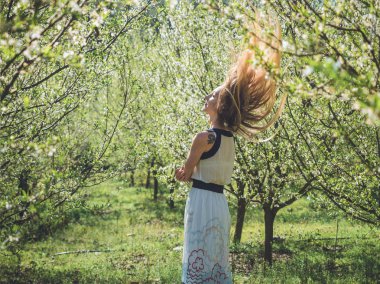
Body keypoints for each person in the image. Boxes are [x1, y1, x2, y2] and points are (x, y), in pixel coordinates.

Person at [175, 15, 285, 283]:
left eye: (212, 96)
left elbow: (187, 174)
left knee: (198, 258)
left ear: (220, 106)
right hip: (220, 204)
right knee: (216, 260)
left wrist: (180, 171)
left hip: (201, 202)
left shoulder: (204, 138)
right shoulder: (230, 139)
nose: (207, 98)